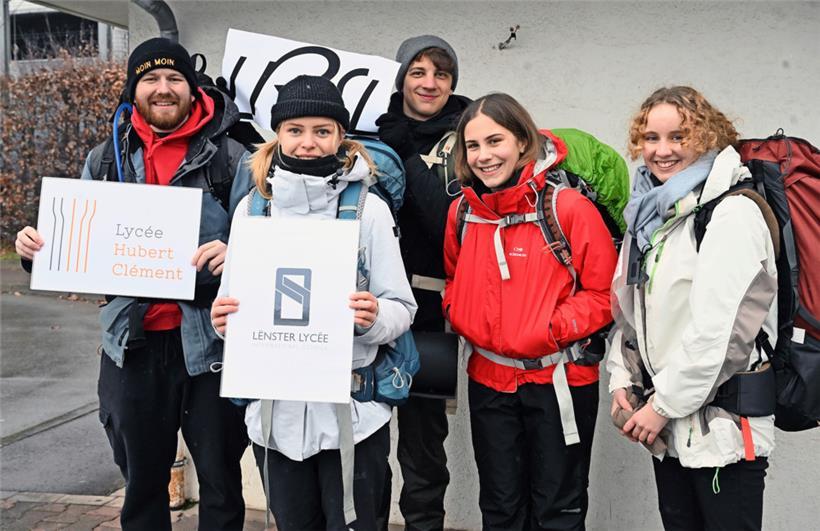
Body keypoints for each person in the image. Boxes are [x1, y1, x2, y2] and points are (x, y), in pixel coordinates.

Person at [14, 38, 252, 530]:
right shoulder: (104, 160)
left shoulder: (232, 159)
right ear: (133, 89)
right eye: (150, 79)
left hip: (212, 347)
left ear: (192, 88)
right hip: (131, 345)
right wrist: (36, 253)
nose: (163, 89)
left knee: (222, 482)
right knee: (141, 485)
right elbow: (75, 253)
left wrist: (239, 255)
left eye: (174, 79)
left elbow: (264, 244)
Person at [210, 75, 417, 531]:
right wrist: (222, 319)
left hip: (354, 416)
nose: (308, 143)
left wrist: (374, 317)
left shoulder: (369, 210)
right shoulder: (253, 209)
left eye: (322, 131)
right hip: (275, 420)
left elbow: (402, 306)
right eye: (295, 130)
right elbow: (234, 301)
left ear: (340, 136)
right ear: (277, 134)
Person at [442, 93, 617, 530]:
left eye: (495, 141)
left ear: (523, 140)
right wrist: (461, 310)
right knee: (500, 508)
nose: (484, 156)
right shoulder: (463, 211)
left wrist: (548, 328)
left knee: (558, 508)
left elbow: (604, 294)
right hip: (488, 380)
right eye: (473, 145)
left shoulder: (567, 208)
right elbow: (452, 279)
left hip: (558, 380)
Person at [606, 86, 778, 530]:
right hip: (671, 427)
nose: (662, 151)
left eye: (678, 137)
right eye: (650, 138)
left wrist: (660, 407)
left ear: (707, 136)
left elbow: (722, 336)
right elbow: (631, 311)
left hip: (722, 431)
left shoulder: (732, 213)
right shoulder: (652, 215)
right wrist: (622, 379)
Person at [375, 34, 471, 530]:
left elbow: (445, 222)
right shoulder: (371, 129)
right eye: (418, 71)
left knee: (422, 444)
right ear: (399, 78)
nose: (430, 83)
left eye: (441, 73)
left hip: (431, 311)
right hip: (366, 309)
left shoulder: (468, 136)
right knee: (366, 438)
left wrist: (404, 157)